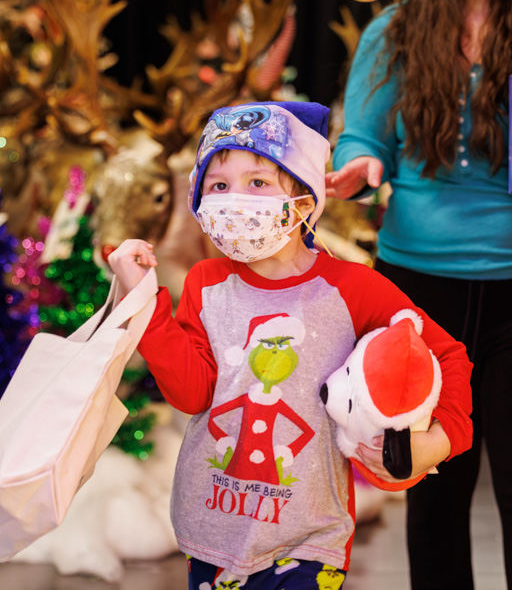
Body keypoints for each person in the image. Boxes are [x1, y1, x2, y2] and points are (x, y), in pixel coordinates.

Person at [108, 101, 474, 590]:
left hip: (310, 542)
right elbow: (194, 394)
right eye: (218, 185)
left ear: (303, 195)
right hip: (212, 536)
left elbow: (447, 356)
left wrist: (441, 440)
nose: (235, 198)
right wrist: (144, 299)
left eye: (257, 181)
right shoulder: (205, 282)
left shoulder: (354, 289)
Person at [328, 0, 512, 589]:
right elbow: (364, 137)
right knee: (434, 495)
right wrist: (359, 165)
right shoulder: (393, 31)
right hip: (417, 300)